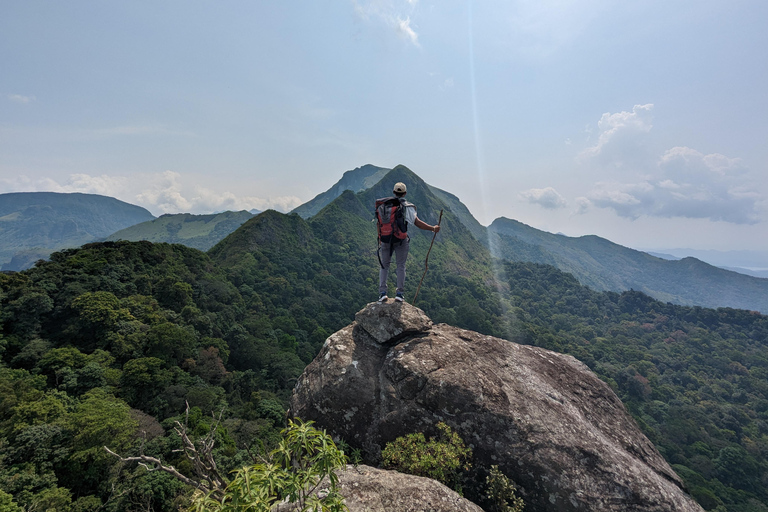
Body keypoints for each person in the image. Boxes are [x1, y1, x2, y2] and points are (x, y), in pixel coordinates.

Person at [378, 182, 440, 303]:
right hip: (401, 240)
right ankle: (399, 294)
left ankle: (382, 293)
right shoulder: (407, 207)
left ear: (393, 192)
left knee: (384, 266)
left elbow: (379, 223)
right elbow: (417, 222)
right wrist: (433, 228)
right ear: (405, 193)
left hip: (385, 239)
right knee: (400, 265)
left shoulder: (383, 205)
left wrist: (380, 238)